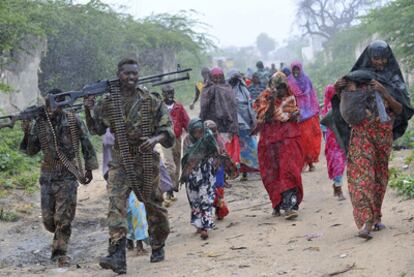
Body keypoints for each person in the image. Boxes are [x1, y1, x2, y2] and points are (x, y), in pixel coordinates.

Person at [84, 58, 175, 274]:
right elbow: (96, 129)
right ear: (119, 75)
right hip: (121, 159)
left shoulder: (150, 100)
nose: (131, 77)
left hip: (145, 159)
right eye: (127, 74)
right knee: (116, 204)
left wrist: (154, 140)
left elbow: (167, 129)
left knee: (153, 204)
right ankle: (117, 254)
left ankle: (158, 243)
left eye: (135, 73)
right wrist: (88, 109)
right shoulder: (108, 102)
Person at [334, 40, 414, 240]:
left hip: (383, 134)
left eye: (382, 58)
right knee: (360, 175)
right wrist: (339, 88)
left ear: (388, 58)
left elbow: (400, 109)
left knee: (379, 176)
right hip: (361, 131)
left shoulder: (393, 79)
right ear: (369, 58)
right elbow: (345, 103)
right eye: (375, 58)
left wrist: (384, 92)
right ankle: (365, 222)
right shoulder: (357, 76)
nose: (379, 62)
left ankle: (376, 215)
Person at [20, 88, 98, 267]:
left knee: (63, 218)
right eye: (48, 105)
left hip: (67, 176)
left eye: (55, 104)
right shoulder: (40, 123)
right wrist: (26, 132)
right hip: (47, 176)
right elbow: (31, 151)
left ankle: (59, 253)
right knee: (49, 221)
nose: (51, 109)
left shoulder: (73, 120)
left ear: (62, 103)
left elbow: (87, 144)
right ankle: (61, 236)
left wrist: (89, 169)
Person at [253, 72, 304, 219]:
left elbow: (295, 114)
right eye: (278, 87)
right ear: (272, 87)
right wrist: (272, 102)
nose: (281, 91)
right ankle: (277, 203)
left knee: (289, 170)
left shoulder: (290, 96)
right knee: (272, 173)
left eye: (283, 87)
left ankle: (290, 205)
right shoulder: (264, 98)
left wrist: (295, 115)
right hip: (270, 140)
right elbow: (264, 118)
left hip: (288, 138)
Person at [102, 129, 150, 255]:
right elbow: (107, 158)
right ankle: (128, 241)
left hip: (136, 175)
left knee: (137, 209)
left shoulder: (137, 127)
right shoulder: (108, 135)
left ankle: (139, 243)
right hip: (118, 177)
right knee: (123, 211)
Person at [181, 118, 219, 240]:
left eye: (200, 131)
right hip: (192, 174)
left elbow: (215, 151)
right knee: (194, 200)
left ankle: (205, 227)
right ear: (191, 132)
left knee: (205, 198)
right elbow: (187, 157)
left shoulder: (208, 137)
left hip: (206, 173)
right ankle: (198, 223)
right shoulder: (187, 140)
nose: (199, 135)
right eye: (196, 132)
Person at [200, 67, 240, 167]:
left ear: (223, 77)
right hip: (211, 125)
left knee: (224, 152)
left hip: (225, 126)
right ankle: (217, 178)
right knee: (213, 152)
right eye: (215, 77)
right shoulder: (207, 89)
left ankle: (222, 178)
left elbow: (233, 109)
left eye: (219, 77)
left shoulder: (227, 88)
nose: (217, 80)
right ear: (210, 77)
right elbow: (203, 107)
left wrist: (233, 127)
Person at [288, 61, 322, 172]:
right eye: (294, 70)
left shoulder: (307, 80)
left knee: (310, 140)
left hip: (310, 114)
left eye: (297, 69)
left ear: (301, 69)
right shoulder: (289, 82)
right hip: (297, 115)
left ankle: (310, 163)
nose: (296, 72)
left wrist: (316, 109)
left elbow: (312, 95)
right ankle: (301, 163)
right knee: (300, 141)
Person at [161, 84, 190, 203]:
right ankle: (169, 189)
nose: (170, 95)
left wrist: (191, 133)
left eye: (171, 93)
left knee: (177, 162)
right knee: (169, 165)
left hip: (177, 138)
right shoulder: (160, 107)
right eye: (167, 93)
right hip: (165, 139)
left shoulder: (179, 107)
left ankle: (173, 187)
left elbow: (186, 121)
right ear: (163, 94)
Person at [228, 69, 259, 181]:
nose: (234, 81)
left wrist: (253, 121)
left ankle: (256, 169)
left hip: (246, 124)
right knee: (240, 150)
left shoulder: (244, 91)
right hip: (236, 126)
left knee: (251, 146)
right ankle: (243, 172)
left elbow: (250, 107)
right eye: (232, 79)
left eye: (236, 79)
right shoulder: (228, 92)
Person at [320, 85, 346, 201]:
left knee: (342, 164)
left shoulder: (342, 104)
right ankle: (339, 188)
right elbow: (324, 127)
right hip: (332, 142)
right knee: (337, 163)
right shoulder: (326, 109)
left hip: (342, 139)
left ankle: (336, 184)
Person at [204, 120, 230, 220]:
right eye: (211, 131)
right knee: (207, 192)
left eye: (215, 131)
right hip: (206, 171)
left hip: (218, 170)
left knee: (219, 191)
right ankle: (207, 214)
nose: (214, 133)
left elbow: (225, 155)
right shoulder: (201, 142)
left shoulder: (219, 140)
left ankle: (219, 211)